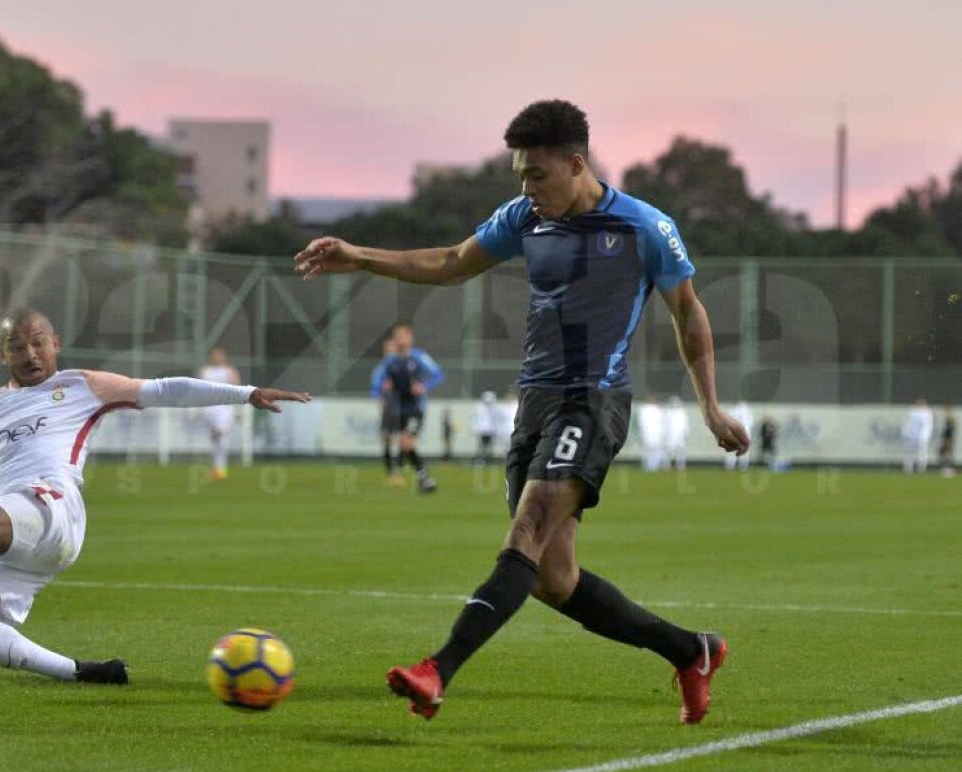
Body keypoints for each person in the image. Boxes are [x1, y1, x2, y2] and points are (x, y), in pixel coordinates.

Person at [295, 99, 748, 724]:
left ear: (575, 164)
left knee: (526, 532)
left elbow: (687, 312)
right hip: (534, 401)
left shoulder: (645, 227)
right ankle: (691, 650)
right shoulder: (524, 218)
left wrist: (711, 407)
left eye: (537, 174)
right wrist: (363, 256)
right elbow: (454, 262)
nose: (527, 188)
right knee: (553, 577)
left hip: (594, 400)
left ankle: (437, 670)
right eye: (520, 176)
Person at [0, 308, 310, 684]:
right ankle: (79, 672)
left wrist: (246, 392)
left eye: (38, 342)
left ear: (56, 344)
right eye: (17, 346)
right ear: (2, 353)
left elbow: (164, 390)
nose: (29, 353)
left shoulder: (79, 385)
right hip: (11, 536)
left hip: (52, 511)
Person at [378, 323, 444, 493]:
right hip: (399, 408)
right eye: (397, 336)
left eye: (403, 335)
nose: (399, 339)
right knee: (404, 444)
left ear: (410, 338)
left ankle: (424, 478)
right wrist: (384, 388)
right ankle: (423, 478)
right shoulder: (390, 361)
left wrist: (424, 386)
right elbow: (382, 380)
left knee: (406, 442)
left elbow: (438, 374)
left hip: (415, 407)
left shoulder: (419, 357)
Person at [198, 347, 242, 480]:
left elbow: (237, 390)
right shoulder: (205, 371)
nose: (217, 357)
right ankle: (218, 469)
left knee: (221, 436)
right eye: (215, 355)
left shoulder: (229, 371)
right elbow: (199, 390)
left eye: (219, 355)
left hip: (225, 408)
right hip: (209, 409)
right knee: (217, 441)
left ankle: (220, 469)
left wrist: (238, 410)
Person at [370, 337, 403, 485]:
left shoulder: (403, 366)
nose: (390, 352)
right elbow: (375, 389)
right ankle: (391, 471)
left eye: (393, 350)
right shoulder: (380, 369)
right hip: (389, 408)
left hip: (402, 408)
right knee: (387, 439)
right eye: (388, 350)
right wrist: (380, 398)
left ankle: (399, 470)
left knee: (403, 440)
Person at [902, 397, 933, 474]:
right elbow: (908, 424)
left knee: (922, 453)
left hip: (922, 436)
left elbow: (928, 425)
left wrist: (925, 436)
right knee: (909, 452)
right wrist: (906, 433)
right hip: (911, 436)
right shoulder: (912, 411)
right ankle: (908, 469)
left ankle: (921, 469)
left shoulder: (927, 412)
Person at [636, 395, 666, 471]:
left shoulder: (655, 410)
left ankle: (652, 466)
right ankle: (650, 465)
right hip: (651, 433)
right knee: (650, 450)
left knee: (652, 450)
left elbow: (661, 423)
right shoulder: (646, 409)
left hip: (653, 433)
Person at [472, 391, 501, 466]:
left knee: (489, 447)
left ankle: (488, 460)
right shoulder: (480, 407)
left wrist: (496, 430)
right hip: (483, 430)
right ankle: (480, 460)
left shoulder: (494, 408)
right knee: (482, 446)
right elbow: (477, 419)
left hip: (490, 430)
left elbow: (496, 420)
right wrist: (476, 429)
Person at [725, 400, 755, 471]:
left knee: (736, 449)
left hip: (740, 432)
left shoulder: (741, 410)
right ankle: (736, 466)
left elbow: (750, 422)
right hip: (739, 433)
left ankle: (735, 466)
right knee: (737, 450)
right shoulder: (744, 410)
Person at [663, 395, 690, 471]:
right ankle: (666, 466)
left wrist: (686, 433)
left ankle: (681, 466)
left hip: (680, 436)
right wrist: (665, 435)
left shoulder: (682, 412)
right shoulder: (668, 413)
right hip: (671, 436)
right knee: (668, 452)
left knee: (681, 453)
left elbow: (685, 424)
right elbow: (665, 425)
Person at [939, 407, 956, 478]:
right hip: (946, 440)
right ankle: (946, 469)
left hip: (948, 440)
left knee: (947, 454)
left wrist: (948, 441)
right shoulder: (947, 422)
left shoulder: (951, 421)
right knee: (943, 454)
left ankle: (948, 470)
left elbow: (950, 433)